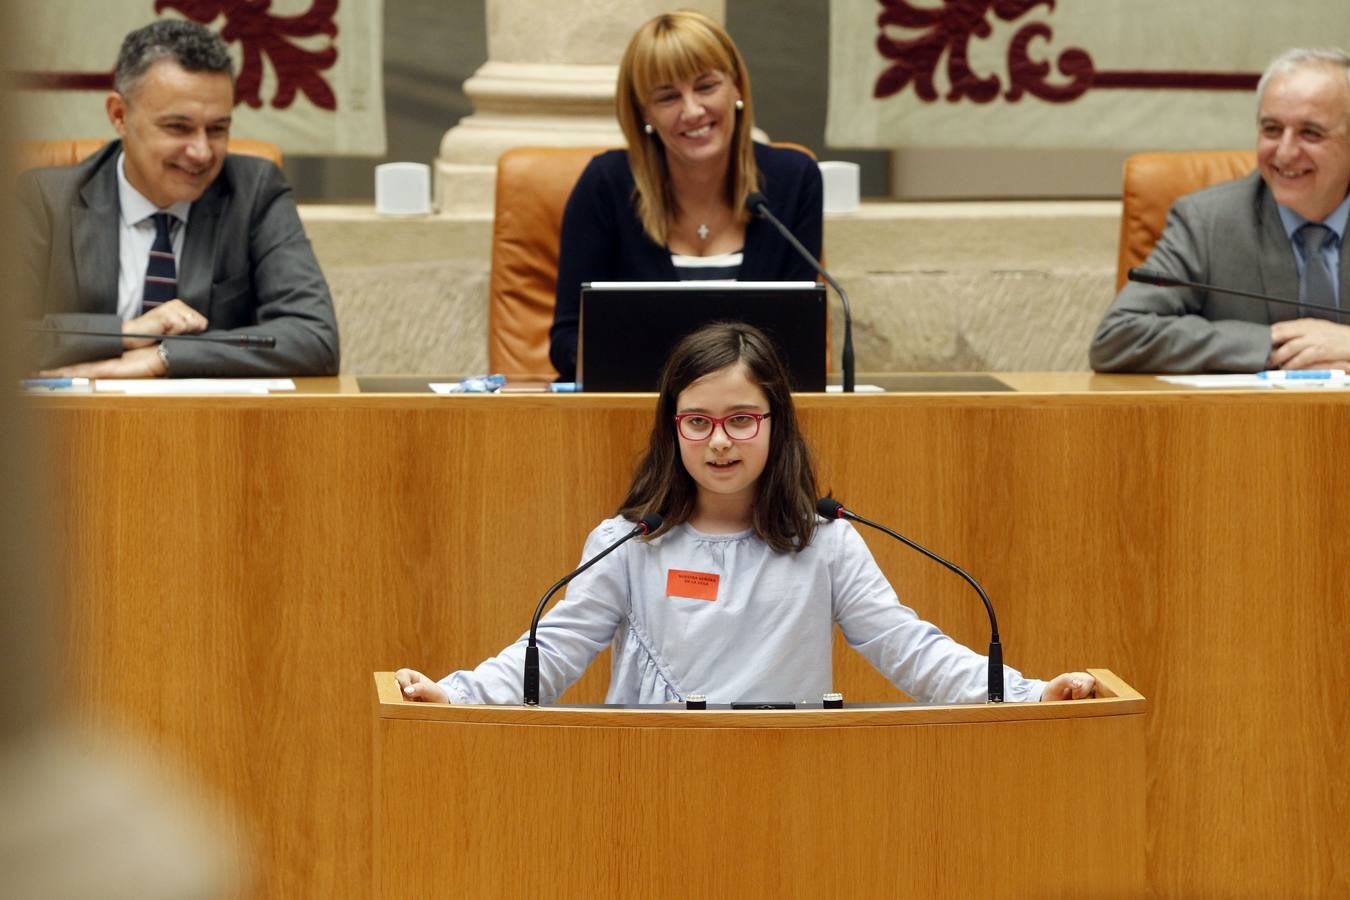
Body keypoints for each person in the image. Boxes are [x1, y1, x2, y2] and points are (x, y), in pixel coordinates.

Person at [398, 323, 1094, 706]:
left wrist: (1033, 696)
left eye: (740, 419)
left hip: (789, 794)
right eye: (697, 421)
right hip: (644, 787)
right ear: (672, 429)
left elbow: (912, 652)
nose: (720, 440)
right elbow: (547, 655)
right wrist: (452, 697)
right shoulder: (626, 544)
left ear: (775, 424)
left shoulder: (826, 544)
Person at [18, 19, 340, 378]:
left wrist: (163, 358)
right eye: (178, 128)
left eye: (217, 129)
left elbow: (314, 338)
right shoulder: (44, 200)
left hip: (210, 427)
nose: (202, 152)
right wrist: (126, 335)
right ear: (120, 116)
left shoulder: (254, 192)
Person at [547, 11, 823, 382]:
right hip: (634, 417)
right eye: (667, 96)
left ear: (737, 87)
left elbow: (797, 337)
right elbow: (566, 338)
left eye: (706, 86)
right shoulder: (605, 185)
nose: (692, 111)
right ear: (644, 111)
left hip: (754, 422)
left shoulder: (794, 180)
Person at [1090, 47, 1350, 373]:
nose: (1284, 153)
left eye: (1310, 133)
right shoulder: (1208, 222)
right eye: (1271, 129)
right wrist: (1275, 346)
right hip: (1251, 423)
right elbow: (1118, 337)